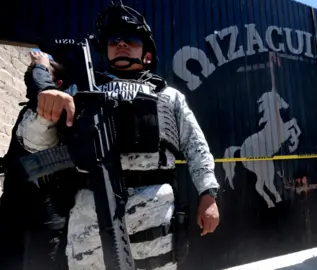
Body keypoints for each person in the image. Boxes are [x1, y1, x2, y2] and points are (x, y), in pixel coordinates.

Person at [10, 2, 221, 270]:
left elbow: (197, 147)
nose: (121, 44)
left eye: (131, 39)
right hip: (91, 222)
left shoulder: (169, 97)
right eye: (114, 40)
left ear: (146, 52)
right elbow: (33, 143)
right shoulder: (79, 91)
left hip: (156, 224)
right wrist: (45, 107)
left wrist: (208, 194)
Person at [0, 50, 80, 270]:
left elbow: (42, 91)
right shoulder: (29, 109)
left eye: (43, 72)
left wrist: (42, 65)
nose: (33, 73)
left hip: (47, 212)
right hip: (13, 206)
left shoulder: (64, 107)